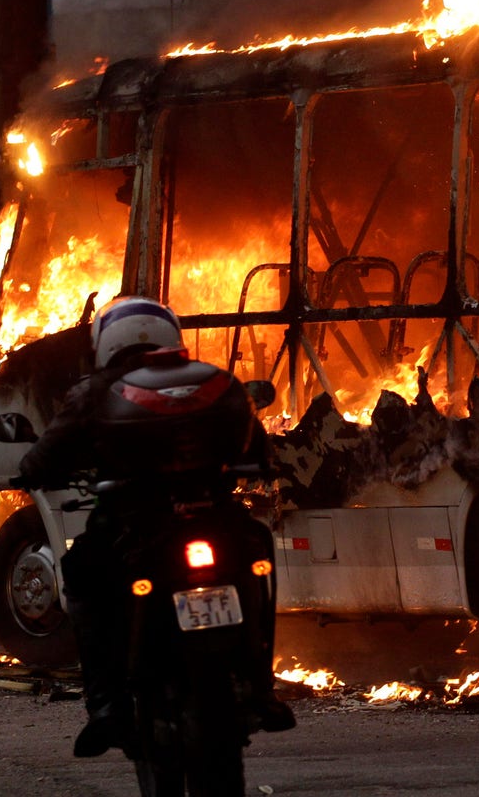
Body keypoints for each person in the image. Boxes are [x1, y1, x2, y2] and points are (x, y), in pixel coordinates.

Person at [18, 296, 292, 758]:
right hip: (214, 517)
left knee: (81, 576)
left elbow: (43, 459)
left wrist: (31, 472)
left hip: (132, 524)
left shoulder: (93, 391)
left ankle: (105, 706)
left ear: (105, 343)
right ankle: (261, 686)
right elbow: (257, 446)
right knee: (257, 549)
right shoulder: (207, 381)